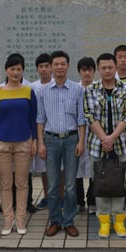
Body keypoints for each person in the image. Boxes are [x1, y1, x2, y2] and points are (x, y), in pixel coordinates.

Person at [84, 53, 126, 238]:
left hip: (120, 144)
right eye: (103, 68)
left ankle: (118, 220)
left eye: (110, 67)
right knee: (101, 184)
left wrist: (112, 138)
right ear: (98, 69)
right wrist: (104, 138)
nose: (107, 71)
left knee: (119, 183)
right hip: (97, 145)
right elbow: (89, 115)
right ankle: (104, 221)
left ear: (115, 68)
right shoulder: (91, 90)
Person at [37, 51, 86, 237]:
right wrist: (40, 143)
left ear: (68, 65)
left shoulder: (77, 89)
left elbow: (81, 119)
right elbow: (40, 119)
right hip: (50, 140)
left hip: (72, 139)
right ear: (51, 67)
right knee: (52, 186)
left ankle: (69, 221)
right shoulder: (42, 91)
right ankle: (55, 220)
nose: (59, 67)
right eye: (55, 64)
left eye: (62, 64)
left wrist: (81, 141)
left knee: (71, 186)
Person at [0, 55, 38, 236]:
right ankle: (8, 219)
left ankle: (21, 218)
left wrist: (35, 140)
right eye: (12, 69)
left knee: (22, 183)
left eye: (19, 69)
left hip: (24, 142)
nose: (15, 72)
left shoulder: (29, 91)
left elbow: (33, 118)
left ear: (23, 70)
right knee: (6, 183)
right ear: (6, 70)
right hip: (2, 142)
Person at [31, 53, 54, 211]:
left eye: (47, 66)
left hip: (55, 131)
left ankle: (60, 197)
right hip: (39, 131)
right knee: (44, 167)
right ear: (37, 69)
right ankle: (47, 196)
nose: (44, 69)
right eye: (41, 66)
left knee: (59, 168)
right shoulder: (32, 87)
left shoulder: (56, 84)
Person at [75, 56, 97, 215]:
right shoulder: (74, 89)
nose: (87, 73)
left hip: (94, 135)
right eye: (84, 70)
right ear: (79, 71)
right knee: (75, 170)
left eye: (90, 70)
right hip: (76, 135)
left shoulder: (99, 89)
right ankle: (78, 202)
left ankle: (92, 200)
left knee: (94, 170)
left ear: (94, 71)